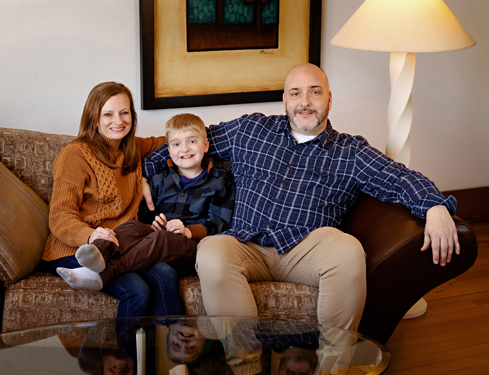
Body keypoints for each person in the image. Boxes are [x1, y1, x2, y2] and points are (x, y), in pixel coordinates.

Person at [142, 63, 460, 332]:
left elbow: (398, 176)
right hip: (244, 243)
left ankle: (333, 365)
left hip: (306, 250)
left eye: (314, 92)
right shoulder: (250, 130)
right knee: (211, 250)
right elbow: (186, 138)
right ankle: (246, 363)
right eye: (295, 93)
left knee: (348, 249)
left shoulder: (351, 151)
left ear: (329, 99)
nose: (304, 101)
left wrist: (434, 205)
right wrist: (146, 172)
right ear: (284, 100)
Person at [43, 81, 185, 317]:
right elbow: (60, 216)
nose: (118, 121)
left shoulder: (132, 149)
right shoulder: (75, 155)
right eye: (108, 114)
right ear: (94, 118)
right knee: (137, 291)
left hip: (123, 247)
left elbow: (172, 140)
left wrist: (144, 178)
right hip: (76, 248)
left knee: (166, 275)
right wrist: (89, 235)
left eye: (124, 112)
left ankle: (170, 350)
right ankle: (125, 355)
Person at [55, 113, 235, 294]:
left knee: (162, 238)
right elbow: (145, 217)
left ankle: (103, 274)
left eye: (192, 142)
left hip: (192, 249)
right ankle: (99, 253)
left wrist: (188, 231)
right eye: (177, 144)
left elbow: (219, 223)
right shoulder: (160, 179)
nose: (184, 149)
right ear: (169, 150)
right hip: (159, 240)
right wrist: (155, 223)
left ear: (205, 145)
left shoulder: (219, 180)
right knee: (132, 226)